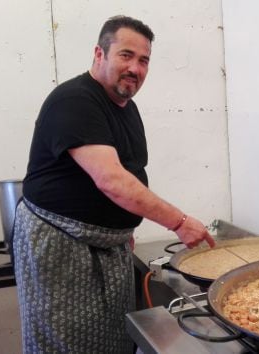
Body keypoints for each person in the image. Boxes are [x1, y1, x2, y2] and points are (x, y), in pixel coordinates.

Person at [12, 15, 215, 354]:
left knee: (112, 340)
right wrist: (178, 222)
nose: (135, 68)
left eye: (144, 60)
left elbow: (130, 172)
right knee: (69, 344)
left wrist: (121, 228)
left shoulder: (126, 108)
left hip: (108, 247)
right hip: (62, 247)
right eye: (126, 55)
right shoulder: (75, 100)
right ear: (99, 53)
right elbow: (111, 180)